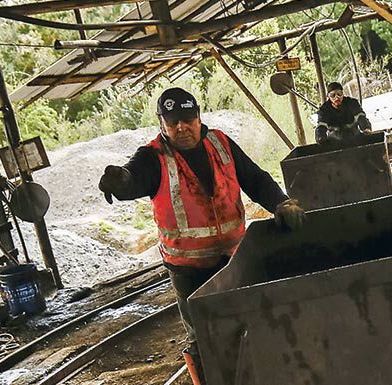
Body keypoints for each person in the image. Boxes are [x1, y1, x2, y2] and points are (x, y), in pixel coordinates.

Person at [98, 87, 305, 384]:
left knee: (250, 324)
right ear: (161, 124)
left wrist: (281, 202)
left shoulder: (220, 143)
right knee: (204, 339)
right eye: (173, 122)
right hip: (189, 271)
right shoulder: (153, 157)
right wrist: (120, 182)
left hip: (233, 260)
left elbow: (255, 179)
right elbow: (133, 180)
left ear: (198, 117)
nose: (181, 127)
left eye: (187, 118)